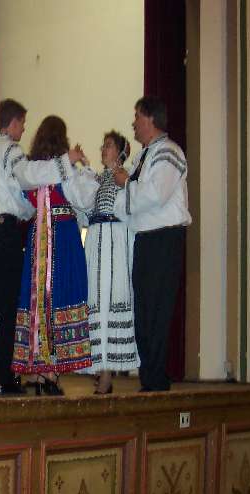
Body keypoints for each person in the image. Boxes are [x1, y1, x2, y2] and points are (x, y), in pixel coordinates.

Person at [0, 99, 84, 395]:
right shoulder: (11, 150)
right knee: (9, 303)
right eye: (22, 123)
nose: (24, 130)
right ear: (12, 122)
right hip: (3, 230)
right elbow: (27, 176)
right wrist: (66, 161)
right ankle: (3, 376)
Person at [10, 115, 97, 394]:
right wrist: (83, 166)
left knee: (40, 298)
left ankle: (40, 371)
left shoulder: (32, 169)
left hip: (39, 237)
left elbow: (24, 202)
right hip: (63, 235)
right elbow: (84, 200)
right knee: (57, 296)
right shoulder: (61, 169)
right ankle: (49, 372)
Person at [113, 96, 191, 391]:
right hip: (145, 239)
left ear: (150, 118)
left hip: (164, 238)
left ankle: (156, 380)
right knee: (144, 310)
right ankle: (150, 377)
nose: (133, 122)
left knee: (156, 310)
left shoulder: (169, 151)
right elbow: (129, 201)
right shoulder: (143, 157)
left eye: (137, 116)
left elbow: (156, 194)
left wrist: (126, 184)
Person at [78, 131, 140, 394]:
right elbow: (84, 211)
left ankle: (106, 373)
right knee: (96, 302)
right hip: (96, 242)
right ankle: (101, 368)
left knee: (110, 302)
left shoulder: (126, 177)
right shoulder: (97, 178)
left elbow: (131, 209)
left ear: (122, 152)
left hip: (115, 243)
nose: (104, 149)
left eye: (109, 146)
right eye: (103, 145)